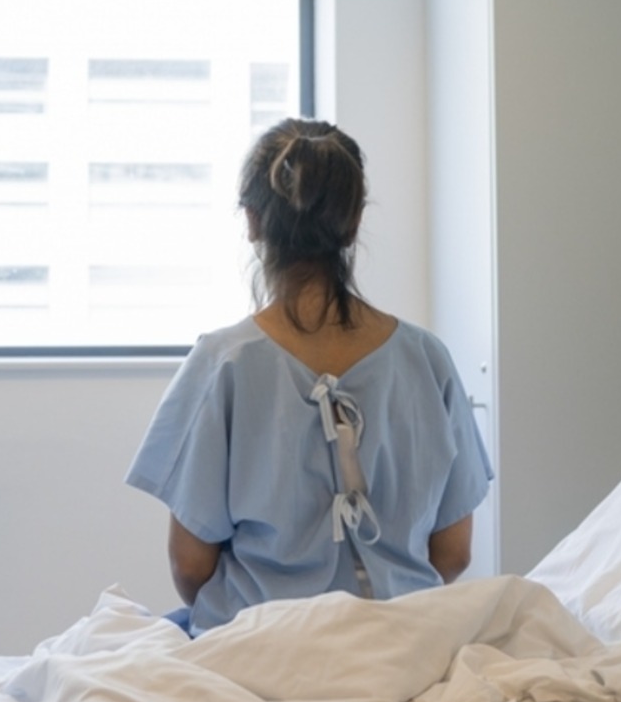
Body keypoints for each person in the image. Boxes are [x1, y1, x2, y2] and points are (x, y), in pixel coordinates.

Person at [126, 118, 493, 635]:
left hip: (261, 644)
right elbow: (453, 554)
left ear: (253, 221)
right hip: (401, 642)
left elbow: (190, 567)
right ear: (354, 222)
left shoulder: (221, 363)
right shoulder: (428, 359)